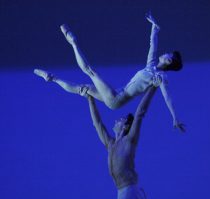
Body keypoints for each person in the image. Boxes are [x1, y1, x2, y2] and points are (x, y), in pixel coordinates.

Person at [34, 12, 185, 132]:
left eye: (168, 55)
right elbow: (153, 45)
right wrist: (154, 28)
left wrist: (174, 118)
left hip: (116, 98)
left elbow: (167, 96)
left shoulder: (159, 76)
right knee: (83, 88)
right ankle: (51, 78)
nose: (165, 53)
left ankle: (73, 42)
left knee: (92, 72)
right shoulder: (151, 66)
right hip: (116, 94)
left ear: (169, 61)